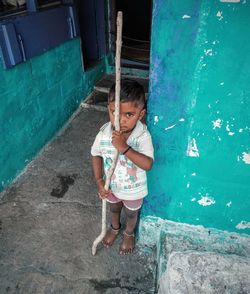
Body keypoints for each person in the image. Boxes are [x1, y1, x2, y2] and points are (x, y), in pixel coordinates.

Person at [91, 78, 154, 255]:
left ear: (140, 114)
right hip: (111, 186)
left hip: (134, 189)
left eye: (129, 115)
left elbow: (147, 164)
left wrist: (124, 148)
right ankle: (115, 227)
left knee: (132, 213)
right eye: (114, 112)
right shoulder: (104, 133)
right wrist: (99, 181)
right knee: (114, 208)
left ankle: (129, 233)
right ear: (108, 110)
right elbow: (96, 154)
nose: (121, 120)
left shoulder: (142, 136)